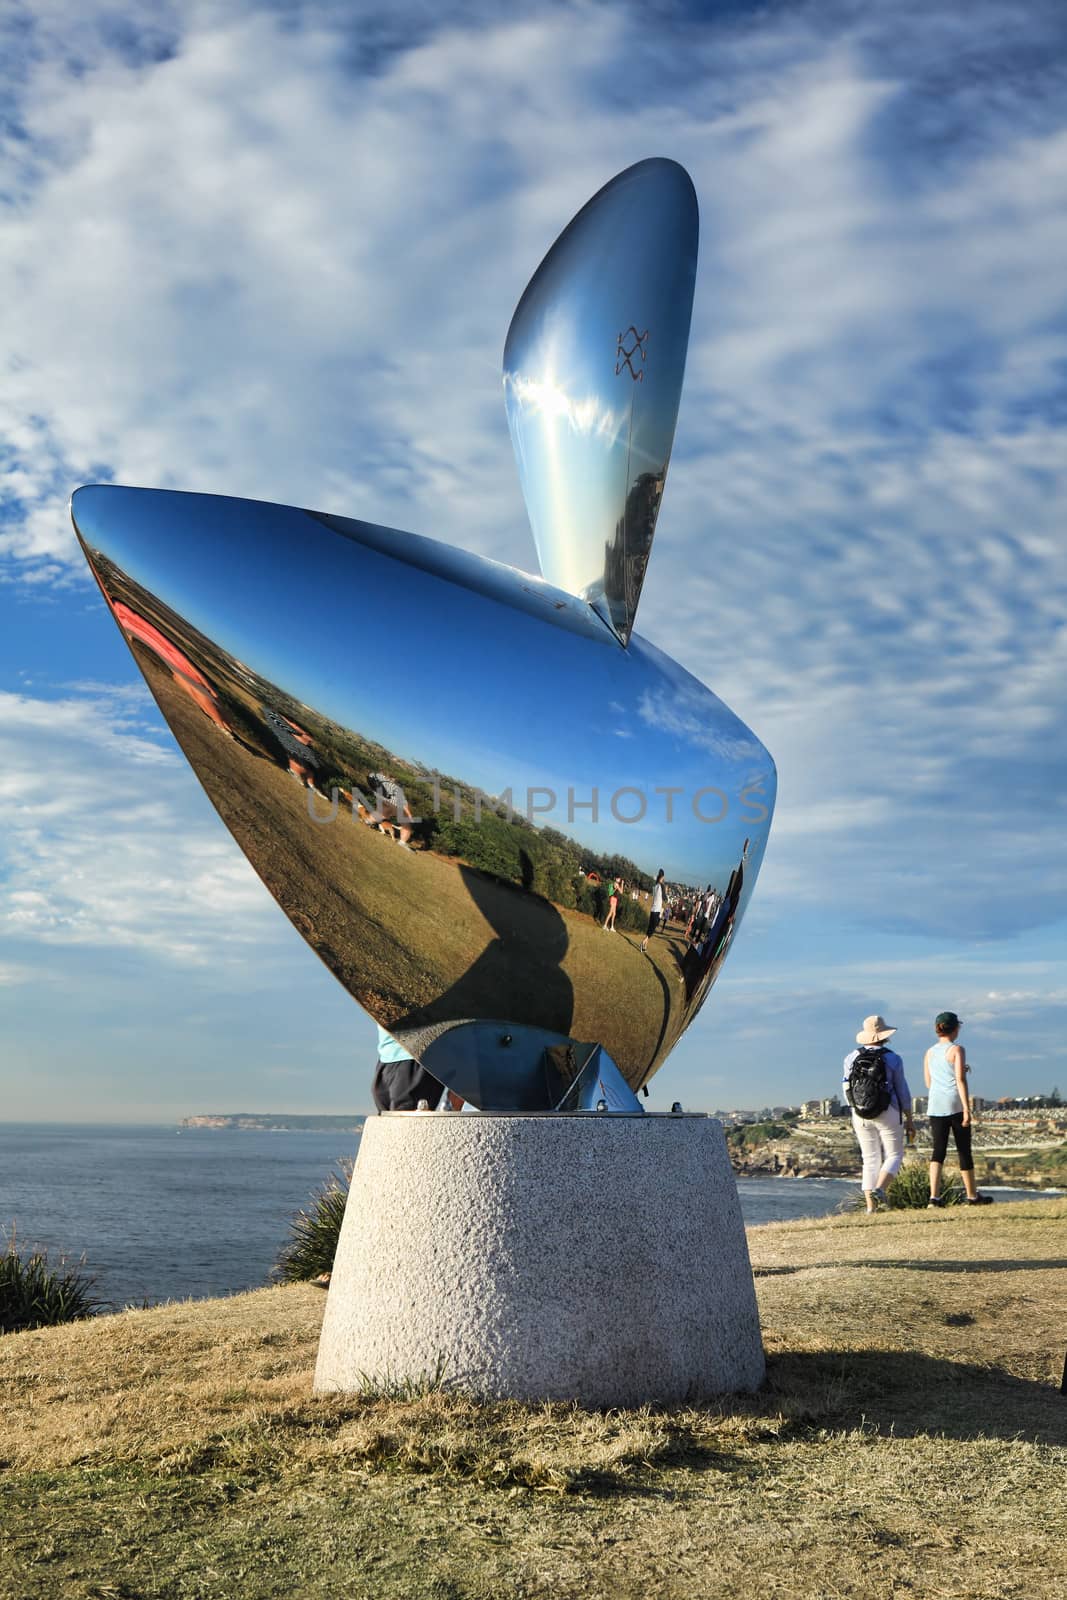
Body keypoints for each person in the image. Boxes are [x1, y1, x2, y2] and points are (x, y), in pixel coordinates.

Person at [843, 1014, 915, 1213]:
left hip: (860, 1113)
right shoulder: (893, 1058)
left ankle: (870, 1209)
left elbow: (846, 1087)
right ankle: (880, 1189)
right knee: (894, 1154)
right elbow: (902, 1090)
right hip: (888, 1110)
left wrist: (856, 1108)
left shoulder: (851, 1057)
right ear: (884, 1035)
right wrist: (909, 1117)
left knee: (870, 1159)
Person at [924, 1011, 992, 1207]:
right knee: (964, 1150)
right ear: (955, 1028)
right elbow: (960, 1080)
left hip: (935, 1105)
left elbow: (929, 1082)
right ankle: (972, 1196)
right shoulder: (957, 1050)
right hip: (954, 1103)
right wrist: (967, 1110)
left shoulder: (929, 1052)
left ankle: (934, 1198)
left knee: (938, 1151)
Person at [640, 869, 665, 951]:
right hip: (657, 910)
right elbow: (664, 897)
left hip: (653, 909)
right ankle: (643, 942)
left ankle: (645, 947)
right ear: (662, 877)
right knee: (652, 929)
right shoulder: (661, 886)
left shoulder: (655, 886)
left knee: (650, 928)